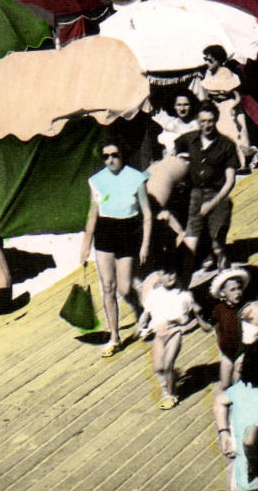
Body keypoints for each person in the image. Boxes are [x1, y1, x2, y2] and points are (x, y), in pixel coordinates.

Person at [79, 144, 152, 358]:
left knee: (124, 286)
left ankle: (147, 311)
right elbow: (93, 213)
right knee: (108, 287)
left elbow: (147, 213)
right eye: (105, 157)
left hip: (128, 232)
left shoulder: (136, 178)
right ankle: (114, 337)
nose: (110, 160)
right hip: (105, 232)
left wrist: (145, 243)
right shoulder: (97, 181)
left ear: (123, 156)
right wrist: (85, 244)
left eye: (115, 155)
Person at [211, 337, 258, 491]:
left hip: (241, 467)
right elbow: (249, 438)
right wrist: (254, 466)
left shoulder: (241, 388)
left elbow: (219, 401)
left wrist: (223, 432)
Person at [179, 103, 238, 276]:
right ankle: (184, 290)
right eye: (203, 121)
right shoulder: (188, 140)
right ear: (197, 120)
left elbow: (230, 182)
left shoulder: (226, 145)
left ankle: (224, 278)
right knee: (189, 246)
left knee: (217, 245)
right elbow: (172, 155)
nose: (207, 125)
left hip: (218, 196)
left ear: (216, 120)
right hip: (195, 196)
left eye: (210, 121)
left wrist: (212, 204)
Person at [136, 268, 201, 409]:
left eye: (172, 272)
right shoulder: (155, 294)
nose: (170, 276)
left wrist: (197, 319)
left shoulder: (183, 295)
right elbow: (146, 313)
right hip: (159, 333)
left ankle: (170, 395)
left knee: (167, 364)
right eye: (165, 273)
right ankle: (167, 385)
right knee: (158, 367)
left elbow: (196, 312)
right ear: (159, 276)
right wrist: (140, 327)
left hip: (174, 332)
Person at [202, 267, 258, 391]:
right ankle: (223, 399)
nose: (237, 292)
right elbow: (209, 326)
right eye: (232, 290)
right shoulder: (219, 310)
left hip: (242, 350)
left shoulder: (246, 308)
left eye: (239, 288)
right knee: (225, 383)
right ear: (222, 293)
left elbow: (257, 325)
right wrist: (199, 316)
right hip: (226, 352)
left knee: (238, 379)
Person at [192, 45, 254, 169]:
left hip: (229, 105)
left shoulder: (225, 73)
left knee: (234, 133)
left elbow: (237, 96)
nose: (207, 63)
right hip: (217, 107)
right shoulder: (209, 74)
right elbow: (210, 93)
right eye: (206, 60)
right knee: (223, 134)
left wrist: (233, 108)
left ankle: (242, 163)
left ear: (218, 60)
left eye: (210, 60)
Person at [152, 91, 201, 158]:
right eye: (179, 105)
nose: (182, 108)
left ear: (191, 105)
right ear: (174, 106)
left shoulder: (198, 125)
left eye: (186, 104)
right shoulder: (170, 127)